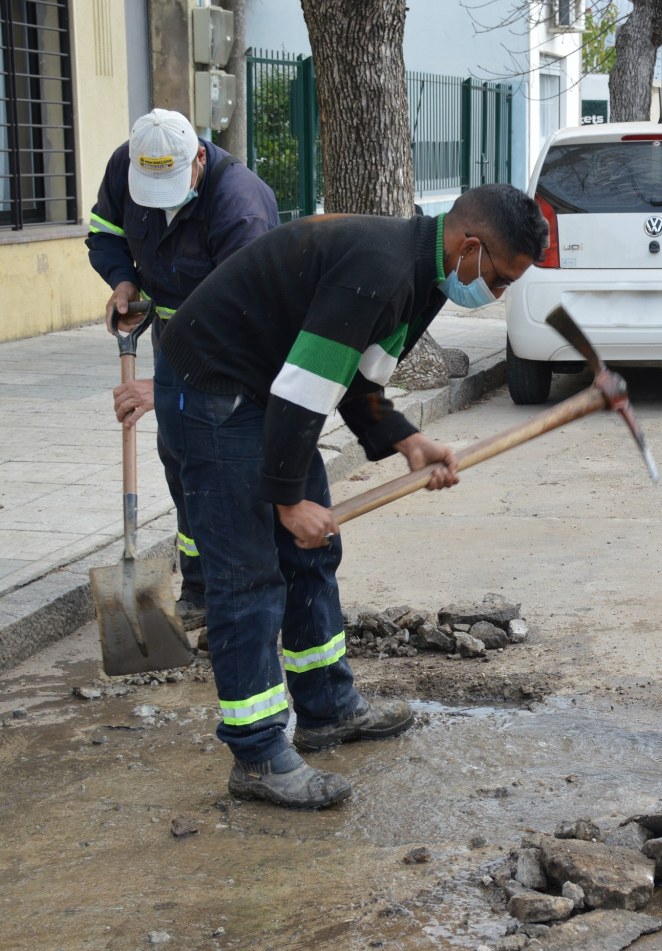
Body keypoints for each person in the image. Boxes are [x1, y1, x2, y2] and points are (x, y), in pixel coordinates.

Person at [114, 183, 548, 809]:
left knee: (313, 554)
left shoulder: (424, 277)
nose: (497, 294)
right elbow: (302, 392)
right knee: (248, 574)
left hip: (267, 387)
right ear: (471, 246)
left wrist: (407, 441)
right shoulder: (379, 270)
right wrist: (288, 502)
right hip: (212, 389)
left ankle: (326, 709)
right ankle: (259, 753)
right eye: (501, 279)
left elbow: (356, 383)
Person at [86, 109, 280, 633]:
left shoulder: (240, 207)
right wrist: (124, 283)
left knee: (215, 463)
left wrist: (164, 386)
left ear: (198, 156)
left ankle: (234, 590)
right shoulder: (127, 166)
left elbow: (244, 314)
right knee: (178, 457)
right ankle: (197, 584)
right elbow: (104, 232)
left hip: (233, 347)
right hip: (169, 331)